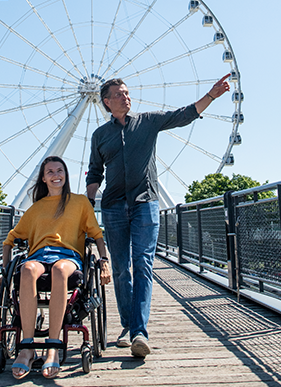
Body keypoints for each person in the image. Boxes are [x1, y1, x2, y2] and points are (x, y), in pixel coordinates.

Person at [86, 75, 230, 357]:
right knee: (120, 269)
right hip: (113, 206)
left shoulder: (149, 121)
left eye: (127, 92)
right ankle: (128, 325)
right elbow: (94, 172)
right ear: (106, 101)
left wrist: (211, 96)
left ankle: (139, 332)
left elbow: (184, 115)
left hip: (146, 203)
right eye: (119, 94)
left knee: (143, 265)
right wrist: (88, 202)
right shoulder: (100, 136)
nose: (125, 97)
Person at [0, 156, 111, 379]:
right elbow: (10, 239)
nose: (56, 175)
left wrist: (104, 262)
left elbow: (96, 235)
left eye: (60, 171)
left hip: (68, 255)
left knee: (59, 270)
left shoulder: (80, 203)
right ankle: (27, 348)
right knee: (26, 270)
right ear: (43, 179)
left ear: (66, 175)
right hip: (38, 256)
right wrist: (5, 272)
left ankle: (53, 348)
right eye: (50, 172)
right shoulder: (36, 208)